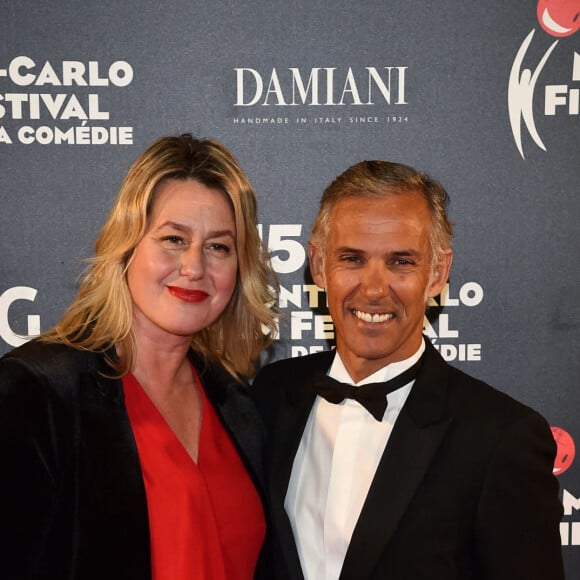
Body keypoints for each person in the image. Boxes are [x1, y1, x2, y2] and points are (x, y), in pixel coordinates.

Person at [252, 160, 564, 579]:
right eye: (352, 259)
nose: (375, 288)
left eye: (401, 262)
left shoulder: (500, 438)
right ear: (319, 265)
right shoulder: (270, 396)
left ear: (437, 273)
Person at [0, 134, 278, 580]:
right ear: (127, 247)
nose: (194, 266)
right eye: (173, 238)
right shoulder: (38, 393)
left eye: (218, 246)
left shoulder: (239, 408)